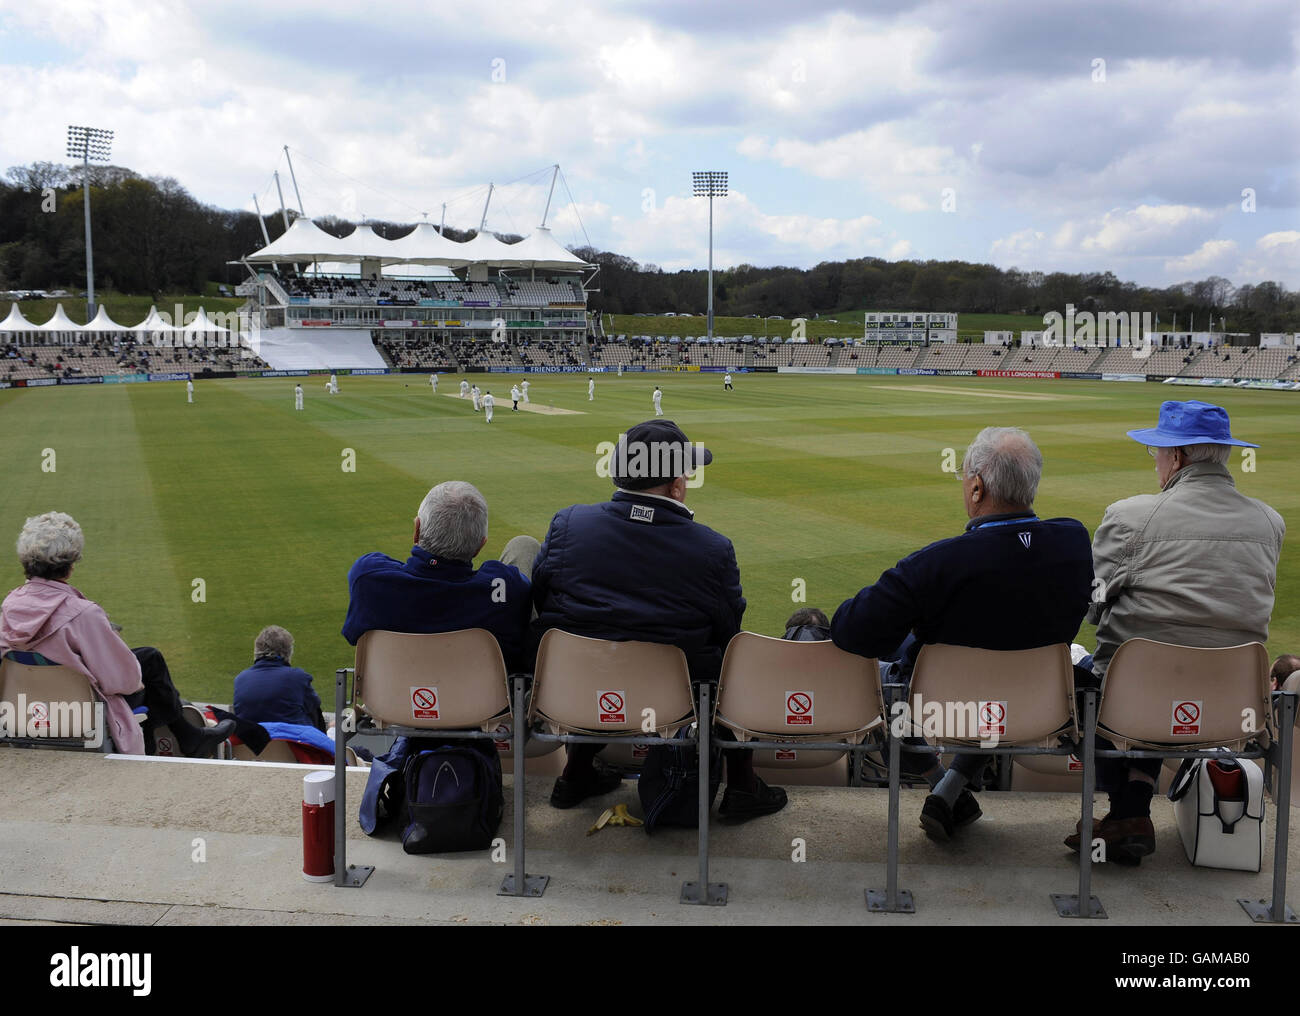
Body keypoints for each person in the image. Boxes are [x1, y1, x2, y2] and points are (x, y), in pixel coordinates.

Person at [831, 427, 1093, 840]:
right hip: (1040, 708)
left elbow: (851, 631)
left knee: (879, 682)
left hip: (944, 713)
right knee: (993, 674)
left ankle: (939, 779)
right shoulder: (1075, 542)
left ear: (976, 488)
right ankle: (953, 788)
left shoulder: (935, 564)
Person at [530, 420, 786, 822]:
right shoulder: (711, 549)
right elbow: (729, 633)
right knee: (737, 662)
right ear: (676, 487)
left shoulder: (568, 524)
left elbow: (542, 599)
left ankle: (575, 774)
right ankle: (742, 786)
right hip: (674, 704)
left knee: (596, 643)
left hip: (576, 693)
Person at [1072, 401, 1284, 863]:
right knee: (1160, 671)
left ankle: (1125, 812)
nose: (1156, 462)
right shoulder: (1271, 522)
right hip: (1231, 709)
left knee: (1098, 675)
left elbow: (1092, 603)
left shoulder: (1131, 516)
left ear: (1179, 457)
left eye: (1157, 452)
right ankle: (1130, 812)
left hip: (1132, 703)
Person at [0, 512, 234, 757]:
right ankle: (186, 739)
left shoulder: (9, 607)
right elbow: (126, 681)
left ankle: (188, 737)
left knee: (147, 665)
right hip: (80, 714)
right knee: (150, 665)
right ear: (70, 567)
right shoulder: (84, 614)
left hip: (24, 711)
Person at [342, 481, 535, 674]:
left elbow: (353, 637)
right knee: (524, 546)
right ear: (480, 546)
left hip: (393, 702)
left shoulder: (368, 577)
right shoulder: (508, 587)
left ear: (416, 530)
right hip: (482, 703)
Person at [232, 626, 325, 731]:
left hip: (250, 744)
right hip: (292, 743)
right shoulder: (298, 677)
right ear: (288, 651)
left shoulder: (240, 679)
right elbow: (314, 708)